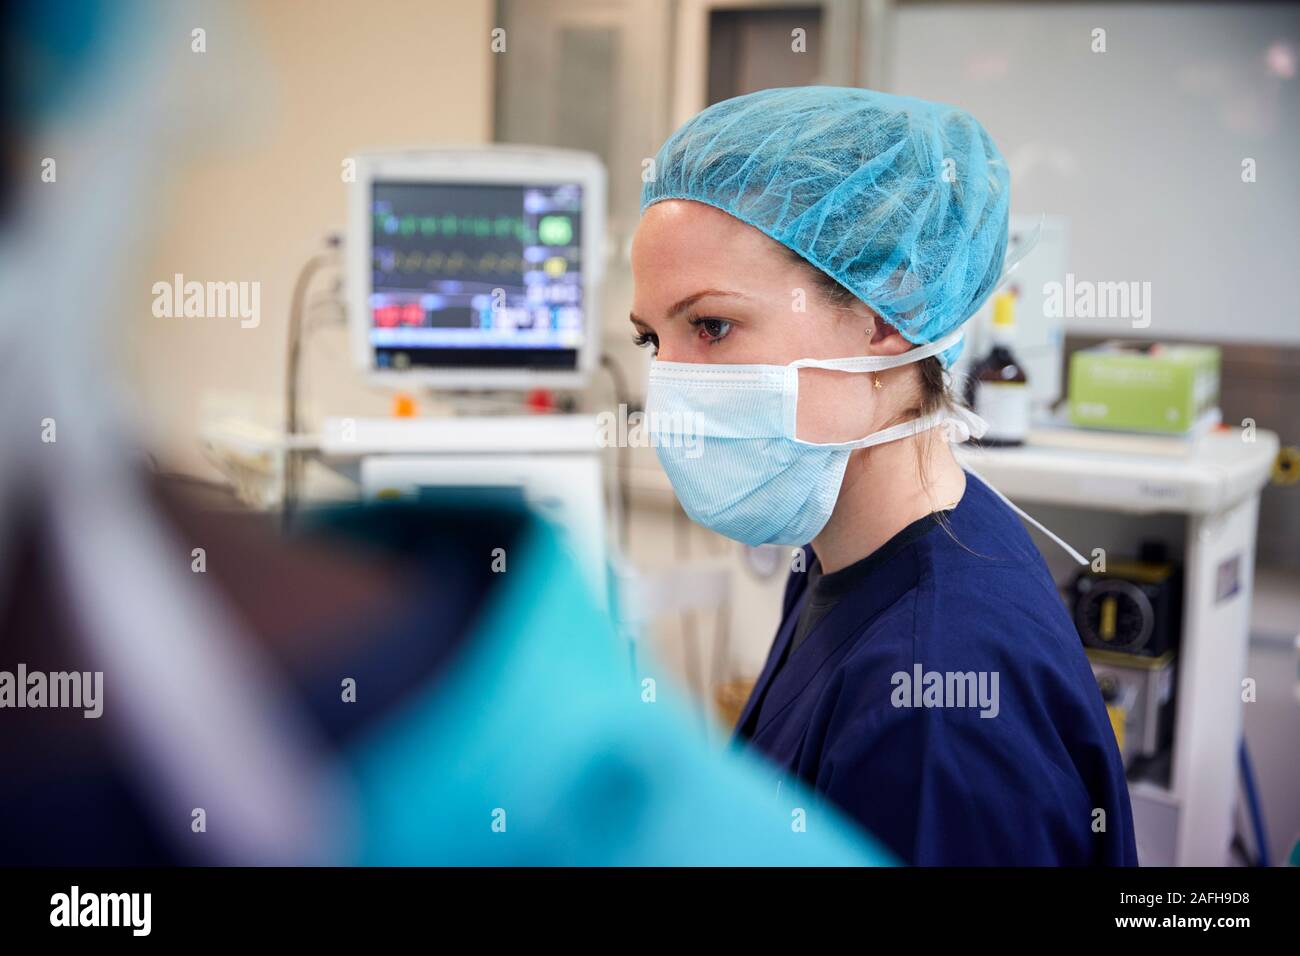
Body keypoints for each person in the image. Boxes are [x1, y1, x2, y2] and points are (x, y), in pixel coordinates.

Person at [631, 86, 1137, 865]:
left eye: (711, 326)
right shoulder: (854, 549)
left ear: (886, 310)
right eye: (650, 340)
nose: (670, 381)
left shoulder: (934, 706)